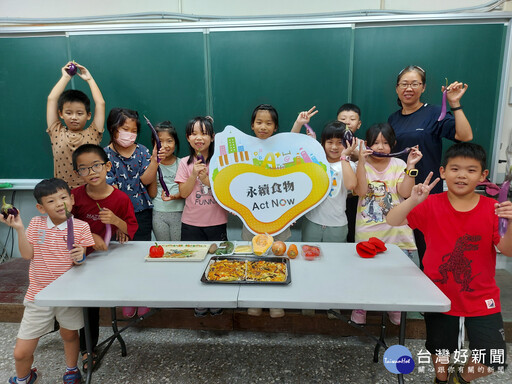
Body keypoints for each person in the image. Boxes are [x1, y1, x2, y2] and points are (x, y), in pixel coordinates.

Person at [386, 142, 511, 384]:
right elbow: (393, 219)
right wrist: (413, 200)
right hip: (438, 294)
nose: (462, 175)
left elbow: (507, 249)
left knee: (491, 359)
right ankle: (441, 379)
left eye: (471, 170)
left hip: (482, 298)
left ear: (483, 176)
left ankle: (459, 379)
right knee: (440, 349)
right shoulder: (431, 203)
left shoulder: (492, 209)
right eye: (455, 169)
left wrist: (510, 221)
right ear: (443, 171)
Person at [1, 178, 95, 384]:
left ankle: (72, 369)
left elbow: (80, 262)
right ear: (40, 208)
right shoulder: (36, 223)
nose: (60, 204)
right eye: (51, 201)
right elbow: (27, 255)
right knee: (20, 353)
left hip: (68, 295)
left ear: (71, 199)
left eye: (63, 198)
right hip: (38, 295)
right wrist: (18, 228)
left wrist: (81, 256)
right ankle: (25, 377)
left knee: (69, 335)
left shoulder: (80, 227)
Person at [388, 65, 473, 268]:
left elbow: (465, 136)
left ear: (423, 87)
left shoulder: (435, 112)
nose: (409, 88)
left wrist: (455, 104)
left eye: (415, 83)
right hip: (400, 192)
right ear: (397, 88)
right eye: (404, 84)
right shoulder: (393, 118)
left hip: (427, 193)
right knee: (400, 249)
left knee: (429, 249)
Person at [71, 144, 139, 369]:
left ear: (107, 166)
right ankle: (87, 349)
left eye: (96, 166)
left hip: (109, 261)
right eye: (84, 169)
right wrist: (89, 235)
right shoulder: (74, 197)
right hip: (81, 260)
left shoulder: (120, 199)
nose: (91, 172)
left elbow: (130, 230)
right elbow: (63, 226)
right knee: (86, 305)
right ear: (77, 172)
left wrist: (116, 221)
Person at [351, 123, 422, 326]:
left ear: (393, 144)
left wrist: (411, 167)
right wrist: (362, 164)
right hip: (368, 231)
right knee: (365, 275)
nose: (380, 148)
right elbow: (362, 192)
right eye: (375, 143)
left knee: (397, 276)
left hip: (397, 232)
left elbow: (406, 193)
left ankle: (395, 306)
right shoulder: (360, 165)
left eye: (385, 143)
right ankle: (361, 306)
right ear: (367, 145)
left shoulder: (399, 164)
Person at [174, 116, 227, 317]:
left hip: (216, 222)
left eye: (204, 133)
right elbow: (184, 193)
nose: (199, 138)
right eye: (194, 133)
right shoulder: (184, 163)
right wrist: (194, 175)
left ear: (212, 137)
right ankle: (199, 300)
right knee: (194, 263)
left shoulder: (221, 162)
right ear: (188, 138)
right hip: (191, 223)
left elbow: (225, 195)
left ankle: (216, 300)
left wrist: (207, 179)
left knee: (217, 262)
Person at [243, 104, 292, 318]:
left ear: (276, 127)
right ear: (252, 125)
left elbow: (292, 182)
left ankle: (275, 302)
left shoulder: (284, 149)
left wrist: (293, 212)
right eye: (259, 122)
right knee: (254, 257)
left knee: (277, 257)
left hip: (278, 215)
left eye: (269, 123)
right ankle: (254, 301)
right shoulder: (241, 150)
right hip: (251, 216)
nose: (263, 126)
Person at [104, 108, 161, 241]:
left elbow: (146, 180)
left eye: (134, 131)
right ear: (112, 128)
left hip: (141, 213)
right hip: (117, 214)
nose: (129, 134)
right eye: (125, 129)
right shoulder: (105, 155)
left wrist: (154, 160)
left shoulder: (142, 151)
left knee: (141, 250)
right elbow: (111, 192)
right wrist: (118, 223)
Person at [47, 61, 105, 189]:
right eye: (68, 112)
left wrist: (89, 79)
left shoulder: (94, 132)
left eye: (79, 113)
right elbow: (52, 99)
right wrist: (65, 77)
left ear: (88, 115)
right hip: (63, 193)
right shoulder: (56, 132)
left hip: (91, 192)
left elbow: (100, 103)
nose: (74, 117)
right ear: (60, 114)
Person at [299, 120, 357, 243]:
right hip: (312, 221)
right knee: (309, 258)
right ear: (323, 143)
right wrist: (312, 144)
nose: (334, 147)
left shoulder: (348, 164)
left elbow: (351, 185)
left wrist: (345, 156)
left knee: (335, 260)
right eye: (330, 142)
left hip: (337, 225)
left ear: (347, 144)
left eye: (340, 143)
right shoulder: (316, 162)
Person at [147, 121, 185, 241]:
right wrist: (155, 164)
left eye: (169, 141)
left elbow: (185, 192)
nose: (165, 145)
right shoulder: (151, 164)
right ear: (154, 143)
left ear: (175, 142)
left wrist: (174, 197)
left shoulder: (182, 163)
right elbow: (152, 193)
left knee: (179, 249)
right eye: (160, 141)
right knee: (163, 248)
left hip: (179, 212)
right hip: (158, 212)